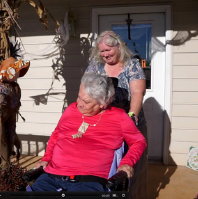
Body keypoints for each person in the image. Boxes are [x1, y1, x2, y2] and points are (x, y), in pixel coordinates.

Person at [31, 72, 147, 192]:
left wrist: (126, 163)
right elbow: (56, 135)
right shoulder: (71, 109)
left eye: (86, 102)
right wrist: (46, 158)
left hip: (90, 180)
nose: (79, 104)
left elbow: (139, 142)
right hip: (52, 176)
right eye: (79, 97)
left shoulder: (119, 117)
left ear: (102, 103)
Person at [85, 30, 148, 199]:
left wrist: (131, 117)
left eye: (108, 50)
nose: (105, 54)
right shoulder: (95, 64)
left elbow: (137, 92)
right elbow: (85, 87)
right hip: (104, 124)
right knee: (104, 165)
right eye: (102, 51)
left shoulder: (132, 64)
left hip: (129, 123)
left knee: (131, 168)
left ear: (118, 47)